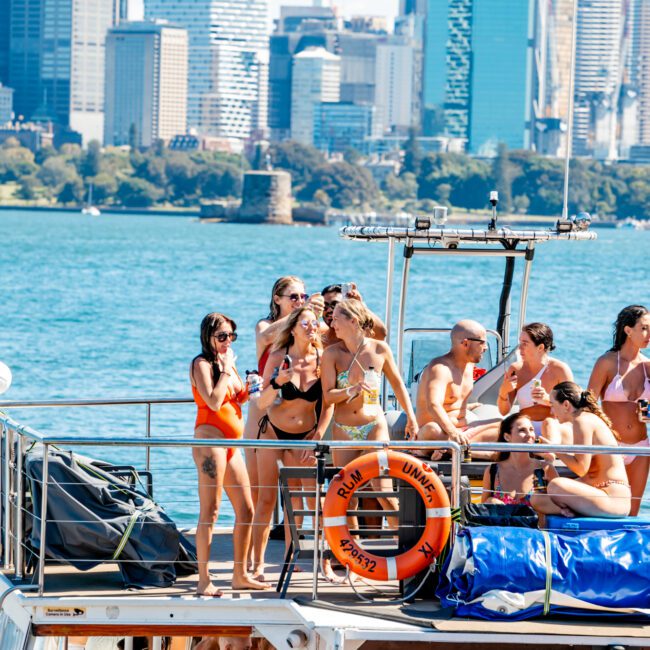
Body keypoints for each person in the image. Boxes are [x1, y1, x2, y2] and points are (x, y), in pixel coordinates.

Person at [243, 276, 324, 558]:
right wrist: (301, 316)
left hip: (295, 417)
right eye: (293, 297)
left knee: (296, 495)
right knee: (259, 496)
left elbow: (331, 339)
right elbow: (267, 337)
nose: (299, 302)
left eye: (303, 297)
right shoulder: (266, 327)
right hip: (262, 413)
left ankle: (293, 558)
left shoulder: (305, 330)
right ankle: (252, 560)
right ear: (277, 299)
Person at [251, 305, 333, 582]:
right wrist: (277, 382)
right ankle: (258, 565)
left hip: (306, 437)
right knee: (266, 499)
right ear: (294, 328)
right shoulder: (278, 356)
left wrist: (319, 434)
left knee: (312, 502)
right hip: (273, 433)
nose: (311, 328)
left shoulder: (323, 359)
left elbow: (328, 403)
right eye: (305, 324)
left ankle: (324, 564)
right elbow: (262, 403)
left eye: (315, 324)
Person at [190, 313, 268, 595]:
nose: (227, 342)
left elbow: (236, 397)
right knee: (210, 510)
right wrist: (225, 370)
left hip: (233, 445)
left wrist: (250, 387)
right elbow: (212, 401)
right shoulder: (202, 364)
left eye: (231, 336)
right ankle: (203, 579)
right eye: (222, 336)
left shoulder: (228, 363)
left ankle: (240, 573)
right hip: (210, 442)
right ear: (208, 337)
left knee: (246, 509)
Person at [322, 299, 417, 520]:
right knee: (346, 496)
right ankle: (349, 551)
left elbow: (397, 384)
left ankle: (404, 546)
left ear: (353, 321)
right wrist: (351, 390)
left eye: (336, 318)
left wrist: (411, 417)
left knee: (383, 491)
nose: (331, 323)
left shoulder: (379, 349)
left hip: (374, 425)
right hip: (344, 429)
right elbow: (327, 396)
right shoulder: (332, 354)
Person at [531, 382, 631, 519]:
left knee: (555, 486)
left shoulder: (581, 421)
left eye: (553, 405)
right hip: (598, 494)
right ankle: (566, 510)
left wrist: (553, 449)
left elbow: (581, 468)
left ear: (566, 405)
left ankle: (569, 509)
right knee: (537, 499)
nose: (552, 411)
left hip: (613, 498)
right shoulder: (584, 419)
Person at [588, 305, 650, 515]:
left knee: (633, 510)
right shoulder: (606, 363)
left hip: (641, 447)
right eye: (644, 328)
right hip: (611, 447)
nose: (648, 334)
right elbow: (589, 404)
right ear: (627, 330)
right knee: (607, 508)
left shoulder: (647, 366)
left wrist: (648, 413)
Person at [416, 320, 501, 459]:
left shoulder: (469, 365)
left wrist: (469, 408)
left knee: (505, 425)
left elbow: (454, 399)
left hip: (462, 431)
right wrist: (453, 433)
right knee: (434, 430)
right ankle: (481, 453)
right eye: (482, 342)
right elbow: (433, 405)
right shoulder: (440, 368)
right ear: (466, 343)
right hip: (438, 432)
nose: (485, 347)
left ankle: (447, 450)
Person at [497, 323, 573, 439]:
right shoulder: (516, 369)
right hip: (524, 429)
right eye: (520, 342)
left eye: (525, 344)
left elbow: (572, 410)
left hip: (553, 428)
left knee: (549, 424)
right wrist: (503, 391)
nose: (520, 348)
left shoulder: (560, 370)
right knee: (492, 427)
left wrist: (548, 400)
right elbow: (503, 412)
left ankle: (546, 452)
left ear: (540, 347)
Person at [481, 413, 558, 506]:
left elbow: (560, 503)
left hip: (536, 520)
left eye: (531, 430)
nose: (530, 435)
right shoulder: (492, 471)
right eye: (522, 430)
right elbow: (483, 509)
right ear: (507, 437)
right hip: (503, 520)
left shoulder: (546, 468)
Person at [321, 283, 386, 347]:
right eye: (324, 306)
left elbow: (382, 333)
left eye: (335, 305)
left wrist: (360, 305)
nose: (329, 310)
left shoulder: (356, 339)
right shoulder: (319, 335)